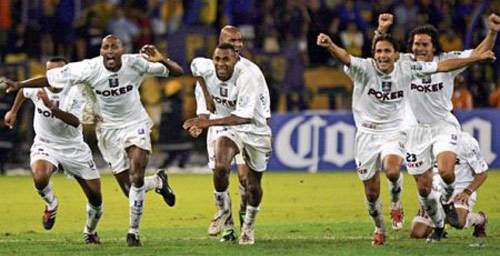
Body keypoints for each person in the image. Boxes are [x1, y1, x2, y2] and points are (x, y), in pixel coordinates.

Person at [3, 35, 183, 246]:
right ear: (101, 52)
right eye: (105, 47)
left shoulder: (134, 63)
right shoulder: (88, 69)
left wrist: (162, 59)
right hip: (106, 130)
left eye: (114, 47)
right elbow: (40, 83)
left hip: (133, 125)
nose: (109, 51)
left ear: (121, 50)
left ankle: (132, 232)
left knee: (135, 175)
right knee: (129, 188)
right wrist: (18, 85)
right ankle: (158, 182)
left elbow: (177, 72)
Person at [316, 32, 494, 246]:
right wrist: (331, 45)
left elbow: (447, 65)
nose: (419, 48)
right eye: (379, 51)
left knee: (398, 170)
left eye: (424, 44)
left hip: (401, 129)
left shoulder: (410, 67)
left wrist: (483, 49)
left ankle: (435, 208)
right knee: (378, 194)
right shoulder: (365, 68)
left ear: (397, 54)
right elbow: (345, 57)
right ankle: (383, 226)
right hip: (374, 134)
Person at [375, 13, 499, 242]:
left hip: (444, 126)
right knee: (423, 189)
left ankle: (448, 202)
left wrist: (492, 32)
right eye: (416, 44)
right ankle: (438, 223)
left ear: (433, 47)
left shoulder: (447, 60)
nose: (419, 48)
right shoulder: (405, 62)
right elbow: (381, 53)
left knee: (445, 171)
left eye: (424, 44)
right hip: (417, 132)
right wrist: (381, 31)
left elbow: (478, 52)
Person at [3, 57, 103, 244]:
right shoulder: (38, 86)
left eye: (59, 72)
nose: (54, 77)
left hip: (74, 148)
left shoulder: (77, 91)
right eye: (50, 73)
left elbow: (74, 121)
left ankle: (90, 231)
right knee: (40, 177)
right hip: (46, 143)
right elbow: (23, 92)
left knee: (96, 199)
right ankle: (51, 204)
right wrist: (13, 111)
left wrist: (50, 106)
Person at [184, 43, 272, 245]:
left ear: (236, 60)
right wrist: (206, 93)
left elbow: (243, 118)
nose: (220, 64)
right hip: (227, 128)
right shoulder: (205, 67)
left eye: (226, 59)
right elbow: (194, 67)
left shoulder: (246, 77)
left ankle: (248, 226)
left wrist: (207, 122)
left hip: (253, 129)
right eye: (217, 59)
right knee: (220, 167)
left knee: (252, 185)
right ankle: (222, 210)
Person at [409, 132, 488, 239]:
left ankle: (480, 219)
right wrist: (424, 201)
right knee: (417, 233)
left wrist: (467, 192)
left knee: (458, 221)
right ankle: (442, 225)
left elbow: (482, 173)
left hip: (460, 191)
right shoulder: (425, 141)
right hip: (436, 192)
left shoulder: (466, 141)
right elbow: (423, 176)